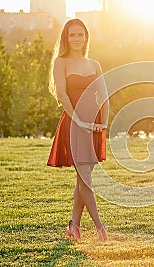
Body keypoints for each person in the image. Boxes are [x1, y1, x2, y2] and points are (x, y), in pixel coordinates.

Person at [47, 18, 109, 242]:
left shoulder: (94, 64)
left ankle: (74, 226)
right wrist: (80, 122)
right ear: (66, 38)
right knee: (84, 177)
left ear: (86, 37)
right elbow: (62, 96)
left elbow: (104, 96)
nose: (76, 38)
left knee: (83, 178)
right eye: (71, 35)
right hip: (74, 125)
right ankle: (100, 228)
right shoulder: (61, 62)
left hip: (93, 125)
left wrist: (104, 121)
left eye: (79, 34)